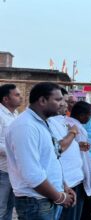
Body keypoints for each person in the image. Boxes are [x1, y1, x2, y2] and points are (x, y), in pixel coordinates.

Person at [6, 82, 75, 219]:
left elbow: (50, 159)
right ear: (42, 100)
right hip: (36, 202)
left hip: (48, 197)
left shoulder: (43, 122)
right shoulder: (26, 126)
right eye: (58, 99)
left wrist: (63, 186)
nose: (62, 104)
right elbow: (32, 174)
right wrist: (60, 197)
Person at [49, 88, 86, 220]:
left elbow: (66, 143)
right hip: (65, 181)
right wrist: (72, 133)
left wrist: (77, 144)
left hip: (74, 179)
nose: (65, 104)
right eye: (62, 100)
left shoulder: (63, 120)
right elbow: (59, 147)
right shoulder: (48, 122)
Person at [0, 84, 21, 220]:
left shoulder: (15, 114)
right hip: (2, 170)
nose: (20, 97)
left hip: (13, 170)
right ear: (6, 99)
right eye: (17, 95)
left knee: (9, 207)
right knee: (1, 208)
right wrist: (17, 154)